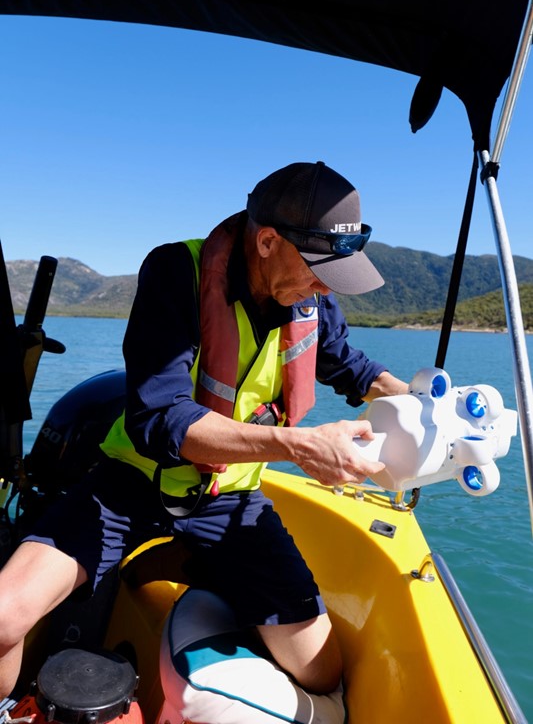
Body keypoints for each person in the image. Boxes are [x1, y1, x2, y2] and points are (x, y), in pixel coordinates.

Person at [0, 160, 408, 702]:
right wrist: (300, 446)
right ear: (268, 241)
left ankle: (196, 562)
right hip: (133, 484)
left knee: (321, 672)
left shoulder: (310, 296)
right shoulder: (178, 271)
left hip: (230, 501)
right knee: (3, 619)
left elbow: (348, 364)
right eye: (318, 269)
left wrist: (419, 402)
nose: (325, 285)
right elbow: (159, 417)